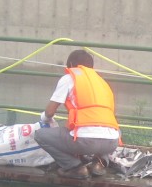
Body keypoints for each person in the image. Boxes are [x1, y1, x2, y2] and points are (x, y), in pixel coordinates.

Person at [33, 49, 120, 179]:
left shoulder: (69, 78)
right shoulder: (103, 82)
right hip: (112, 142)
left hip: (84, 142)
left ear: (71, 64)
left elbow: (50, 112)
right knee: (114, 130)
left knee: (40, 135)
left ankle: (75, 167)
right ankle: (100, 163)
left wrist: (44, 118)